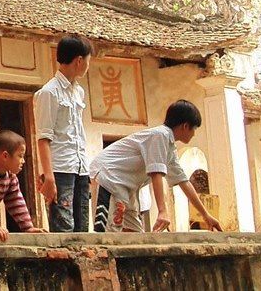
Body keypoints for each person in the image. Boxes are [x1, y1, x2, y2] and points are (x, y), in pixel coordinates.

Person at [91, 100, 222, 232]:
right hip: (109, 178)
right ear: (185, 126)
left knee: (134, 235)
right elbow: (156, 173)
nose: (194, 134)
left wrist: (206, 215)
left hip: (126, 188)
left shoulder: (169, 147)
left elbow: (183, 181)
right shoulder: (160, 135)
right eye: (194, 129)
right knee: (109, 235)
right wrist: (162, 211)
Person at [34, 35, 93, 232]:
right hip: (60, 169)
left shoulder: (79, 92)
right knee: (63, 228)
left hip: (80, 168)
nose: (87, 65)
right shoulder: (49, 92)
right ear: (79, 60)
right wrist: (48, 176)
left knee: (82, 228)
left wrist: (86, 169)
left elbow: (78, 134)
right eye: (88, 60)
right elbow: (43, 137)